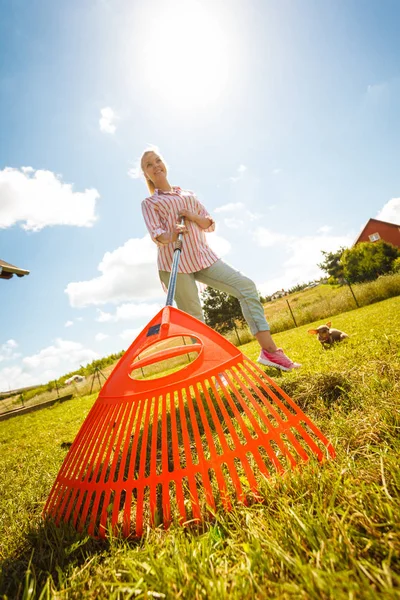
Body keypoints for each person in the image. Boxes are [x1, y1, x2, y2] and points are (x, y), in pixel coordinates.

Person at [140, 147, 301, 372]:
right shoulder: (149, 203)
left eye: (157, 160)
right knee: (195, 320)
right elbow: (158, 235)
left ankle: (270, 352)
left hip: (202, 256)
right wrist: (173, 233)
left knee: (245, 287)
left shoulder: (187, 194)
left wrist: (190, 216)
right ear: (146, 174)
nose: (155, 166)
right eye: (149, 165)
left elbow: (209, 223)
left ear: (165, 164)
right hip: (174, 265)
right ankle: (214, 371)